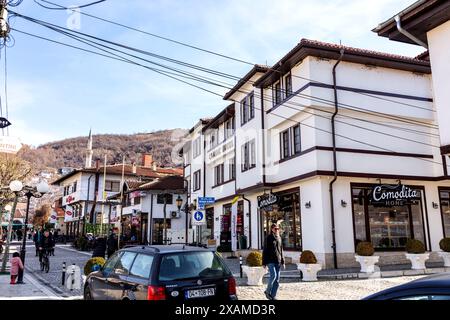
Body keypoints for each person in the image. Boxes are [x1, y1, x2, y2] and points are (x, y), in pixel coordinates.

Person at [262, 223, 285, 300]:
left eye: (278, 229)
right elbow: (265, 250)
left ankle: (273, 295)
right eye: (275, 229)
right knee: (273, 275)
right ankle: (267, 291)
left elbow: (281, 250)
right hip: (270, 260)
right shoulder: (268, 238)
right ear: (272, 229)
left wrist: (283, 261)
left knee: (277, 280)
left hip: (278, 260)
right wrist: (264, 262)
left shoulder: (279, 237)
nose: (277, 230)